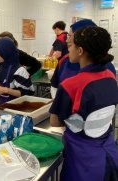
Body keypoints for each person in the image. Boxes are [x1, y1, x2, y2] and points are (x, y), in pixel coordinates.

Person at [49, 26, 118, 181]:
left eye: (71, 45)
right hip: (109, 153)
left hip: (83, 161)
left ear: (80, 51)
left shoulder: (70, 85)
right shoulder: (110, 77)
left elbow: (55, 121)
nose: (69, 48)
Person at [50, 19, 116, 98]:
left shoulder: (106, 68)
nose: (67, 40)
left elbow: (107, 99)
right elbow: (54, 86)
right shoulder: (64, 61)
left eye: (70, 36)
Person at [0, 37, 35, 104]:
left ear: (5, 52)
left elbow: (28, 94)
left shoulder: (20, 71)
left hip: (18, 108)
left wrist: (7, 90)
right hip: (3, 107)